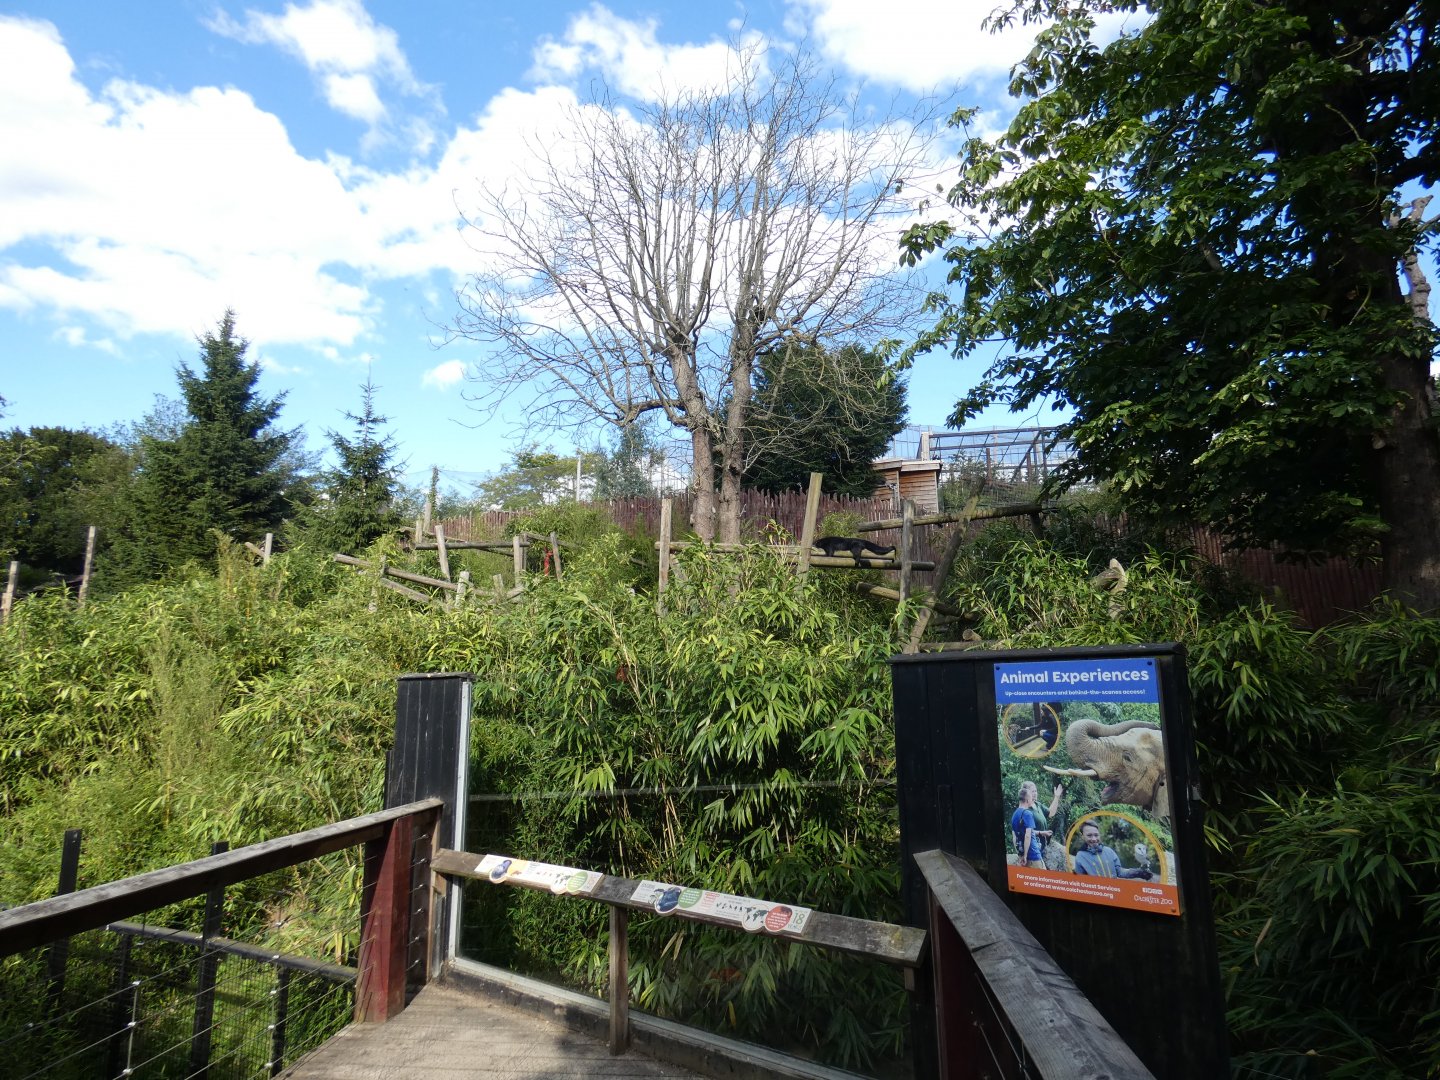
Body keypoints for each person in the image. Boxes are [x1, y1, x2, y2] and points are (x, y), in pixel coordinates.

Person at [1072, 820, 1153, 879]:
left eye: (1096, 835)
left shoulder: (1109, 851)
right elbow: (1081, 881)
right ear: (1082, 836)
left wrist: (1138, 872)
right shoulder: (1080, 856)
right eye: (1089, 835)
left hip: (1112, 893)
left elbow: (1120, 872)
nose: (1094, 839)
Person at [1010, 780, 1056, 869]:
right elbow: (1028, 835)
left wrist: (1020, 854)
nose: (1034, 796)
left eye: (1035, 791)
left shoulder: (1015, 814)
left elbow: (1014, 837)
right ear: (1027, 798)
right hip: (1033, 853)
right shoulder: (1027, 813)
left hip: (1024, 853)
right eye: (1032, 794)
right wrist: (1026, 855)